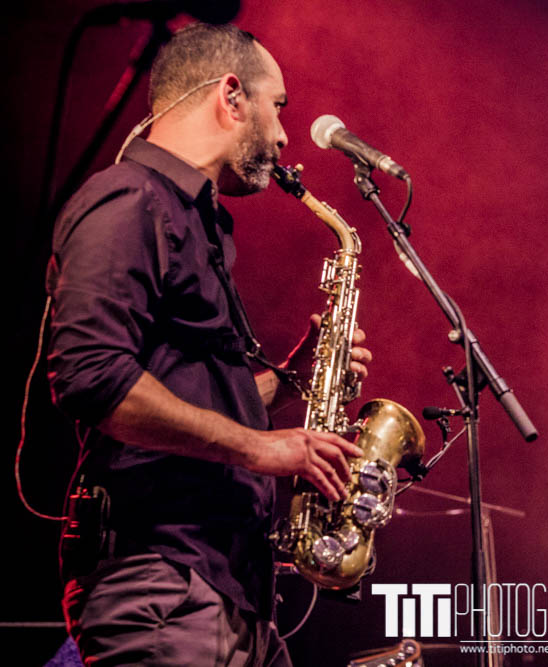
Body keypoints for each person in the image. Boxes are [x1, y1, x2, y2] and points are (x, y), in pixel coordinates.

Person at [46, 23, 370, 665]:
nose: (281, 136)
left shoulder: (192, 219)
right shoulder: (127, 199)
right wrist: (260, 447)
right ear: (231, 94)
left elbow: (186, 393)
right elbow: (91, 377)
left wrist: (297, 375)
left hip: (228, 594)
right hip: (164, 586)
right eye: (277, 108)